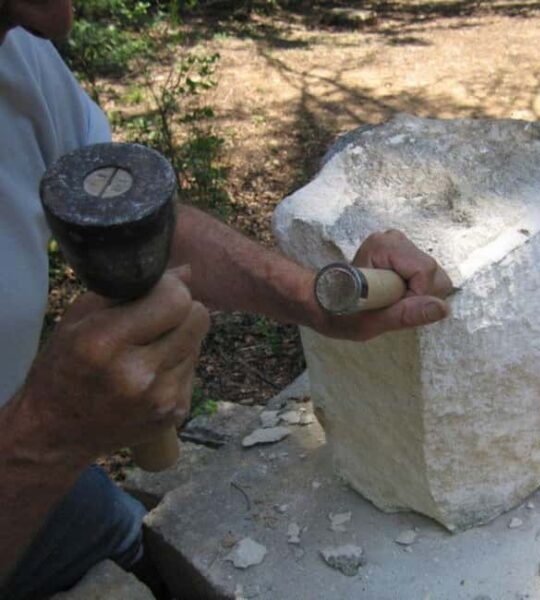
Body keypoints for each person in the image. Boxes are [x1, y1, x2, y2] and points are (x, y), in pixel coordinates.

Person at [0, 1, 453, 597]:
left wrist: (316, 298)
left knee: (152, 556)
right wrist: (47, 438)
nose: (61, 19)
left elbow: (133, 217)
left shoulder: (18, 54)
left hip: (43, 481)